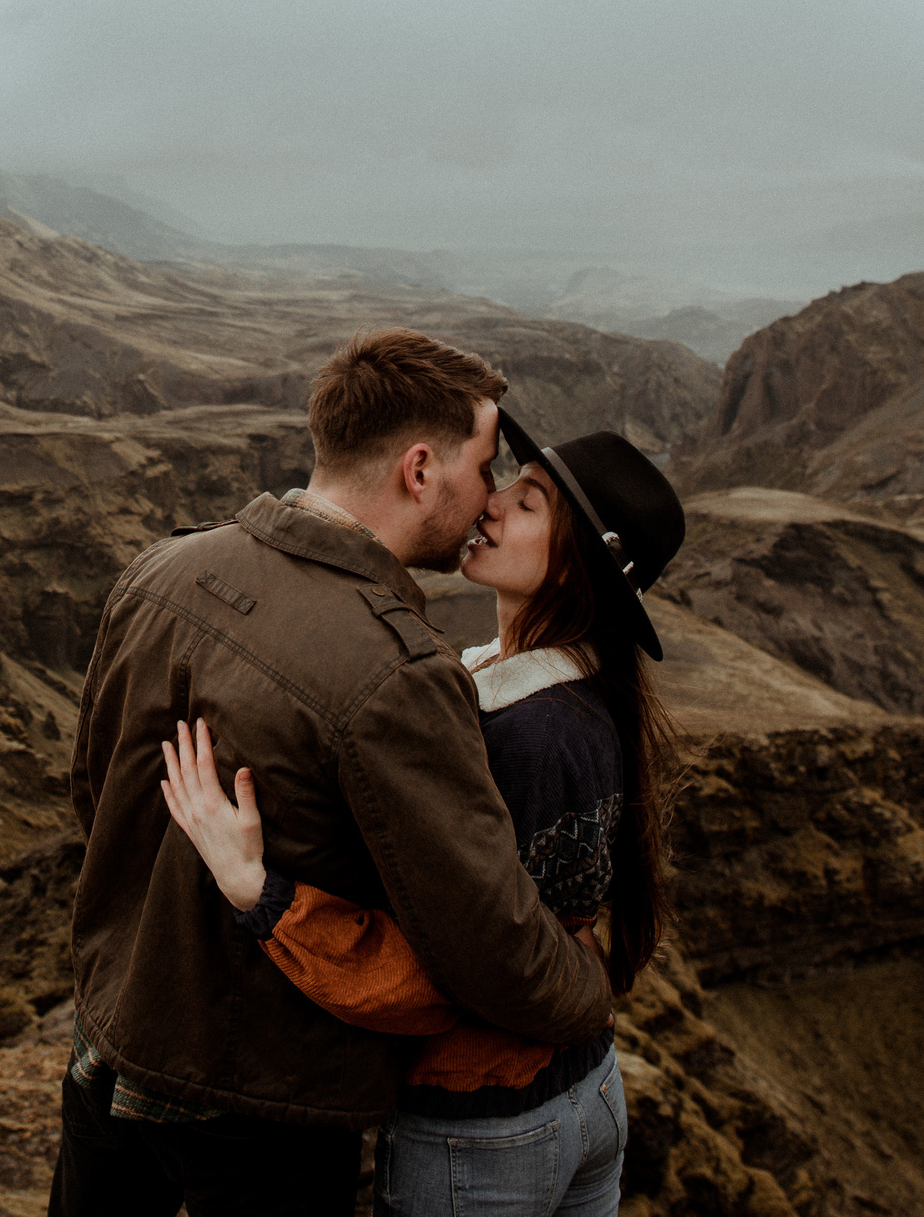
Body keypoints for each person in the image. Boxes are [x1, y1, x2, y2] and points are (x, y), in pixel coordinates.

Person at [52, 330, 616, 1217]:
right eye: (485, 465)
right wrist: (593, 984)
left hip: (108, 1042)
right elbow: (489, 945)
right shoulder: (399, 674)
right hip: (263, 1107)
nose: (488, 498)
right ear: (420, 469)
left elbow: (96, 790)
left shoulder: (159, 569)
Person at [160, 408, 686, 1217]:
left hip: (488, 1130)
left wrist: (258, 892)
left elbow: (452, 975)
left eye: (531, 501)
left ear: (575, 566)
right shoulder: (582, 699)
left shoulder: (525, 736)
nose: (492, 501)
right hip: (583, 1093)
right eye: (508, 480)